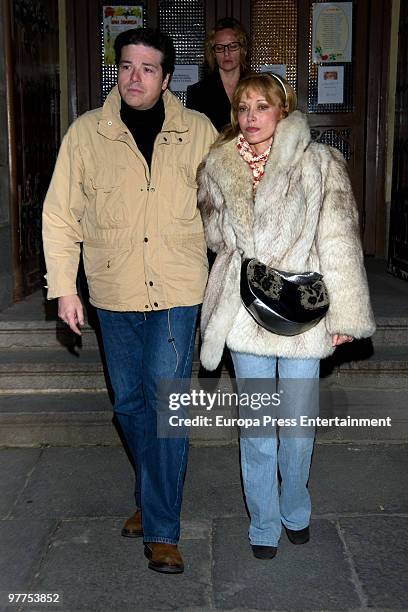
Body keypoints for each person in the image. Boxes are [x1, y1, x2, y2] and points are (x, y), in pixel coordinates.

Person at [42, 28, 217, 574]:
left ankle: (163, 528)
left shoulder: (200, 132)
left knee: (167, 409)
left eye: (147, 68)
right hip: (114, 291)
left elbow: (230, 203)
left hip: (177, 290)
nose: (134, 77)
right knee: (128, 405)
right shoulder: (87, 135)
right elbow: (59, 215)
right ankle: (151, 494)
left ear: (167, 78)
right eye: (126, 66)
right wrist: (65, 287)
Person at [197, 73, 375, 559]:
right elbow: (217, 242)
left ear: (283, 111)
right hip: (246, 311)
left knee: (297, 427)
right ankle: (264, 523)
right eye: (243, 108)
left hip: (302, 311)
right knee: (257, 430)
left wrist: (347, 314)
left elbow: (338, 242)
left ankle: (295, 507)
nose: (251, 118)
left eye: (262, 107)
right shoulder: (217, 166)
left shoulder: (318, 163)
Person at [186, 17, 248, 131]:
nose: (226, 53)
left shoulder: (258, 87)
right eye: (219, 48)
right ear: (213, 53)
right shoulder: (197, 93)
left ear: (242, 49)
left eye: (233, 46)